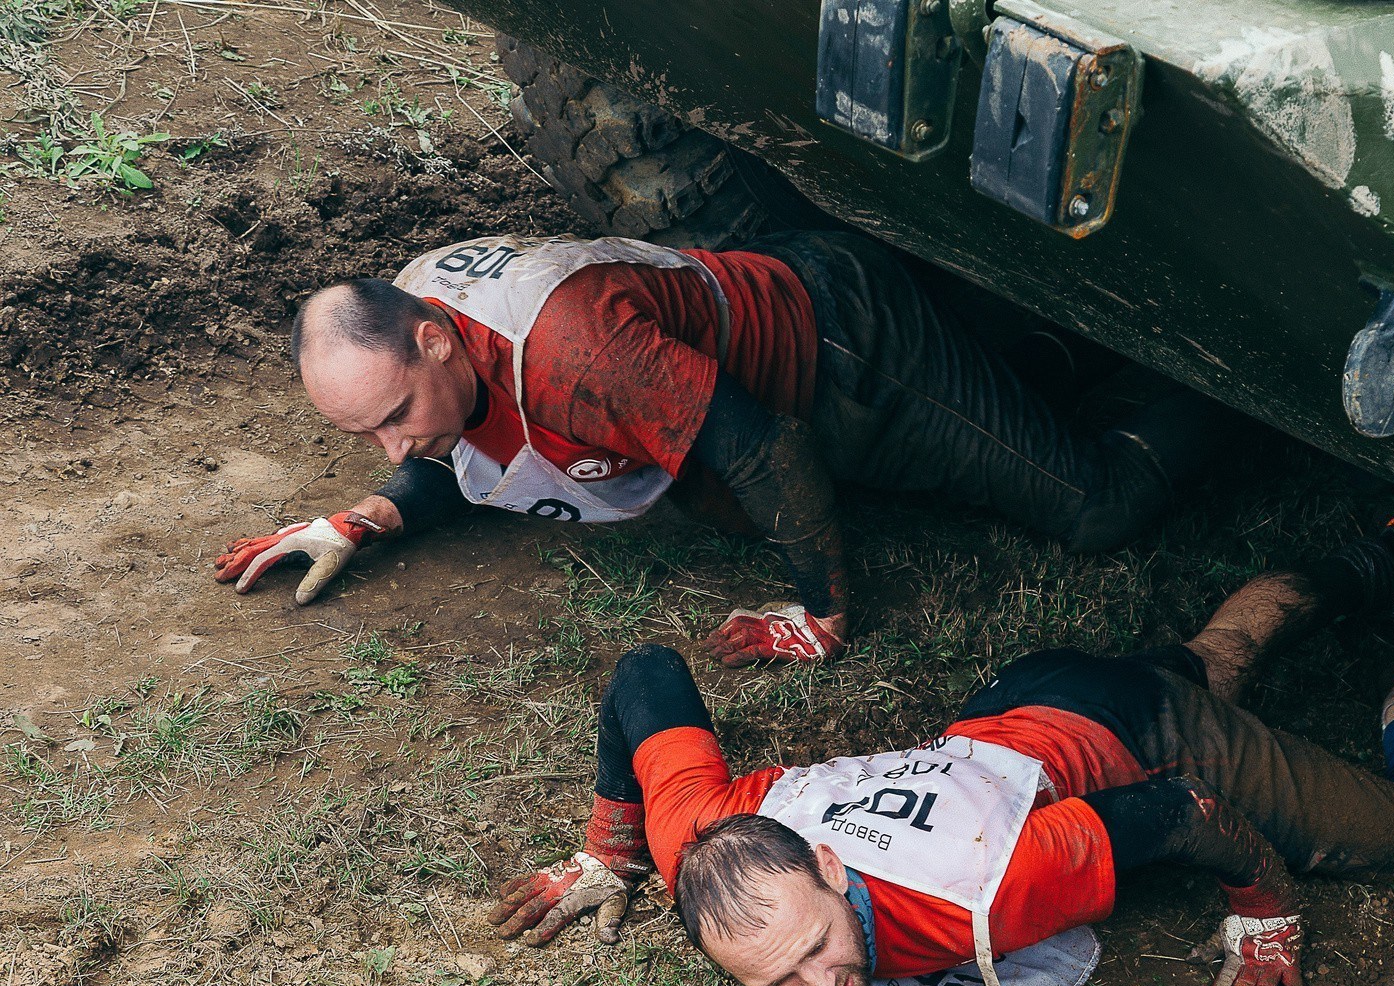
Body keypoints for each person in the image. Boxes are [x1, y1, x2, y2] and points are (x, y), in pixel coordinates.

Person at [488, 506, 1394, 986]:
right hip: (1015, 708)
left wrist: (1260, 901)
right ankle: (1364, 554)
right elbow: (642, 675)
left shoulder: (991, 889)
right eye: (774, 984)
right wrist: (613, 854)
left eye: (815, 947)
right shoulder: (701, 838)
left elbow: (1181, 810)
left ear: (822, 862)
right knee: (1216, 659)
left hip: (1138, 735)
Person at [214, 230, 1221, 666]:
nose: (398, 440)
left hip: (843, 355)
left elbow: (766, 447)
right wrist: (372, 511)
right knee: (1006, 409)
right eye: (367, 433)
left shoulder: (576, 355)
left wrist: (819, 608)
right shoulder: (427, 316)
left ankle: (1213, 372)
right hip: (770, 312)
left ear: (432, 336)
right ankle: (1052, 355)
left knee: (1095, 506)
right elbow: (474, 450)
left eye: (394, 415)